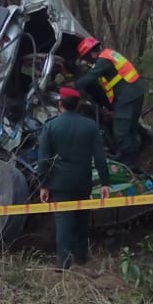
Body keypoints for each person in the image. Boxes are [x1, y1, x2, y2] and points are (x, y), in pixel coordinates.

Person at [37, 86, 112, 269]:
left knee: (63, 221)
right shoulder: (90, 126)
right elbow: (100, 157)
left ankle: (63, 263)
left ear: (60, 104)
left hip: (60, 184)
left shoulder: (51, 126)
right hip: (82, 181)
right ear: (78, 106)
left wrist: (43, 184)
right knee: (81, 218)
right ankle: (81, 257)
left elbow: (44, 159)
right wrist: (104, 182)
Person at [73, 37, 147, 167]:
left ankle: (129, 163)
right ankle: (135, 159)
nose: (86, 61)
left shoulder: (103, 60)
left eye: (86, 57)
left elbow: (90, 78)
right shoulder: (108, 55)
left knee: (120, 129)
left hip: (128, 93)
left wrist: (72, 86)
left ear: (90, 53)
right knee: (131, 127)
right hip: (134, 91)